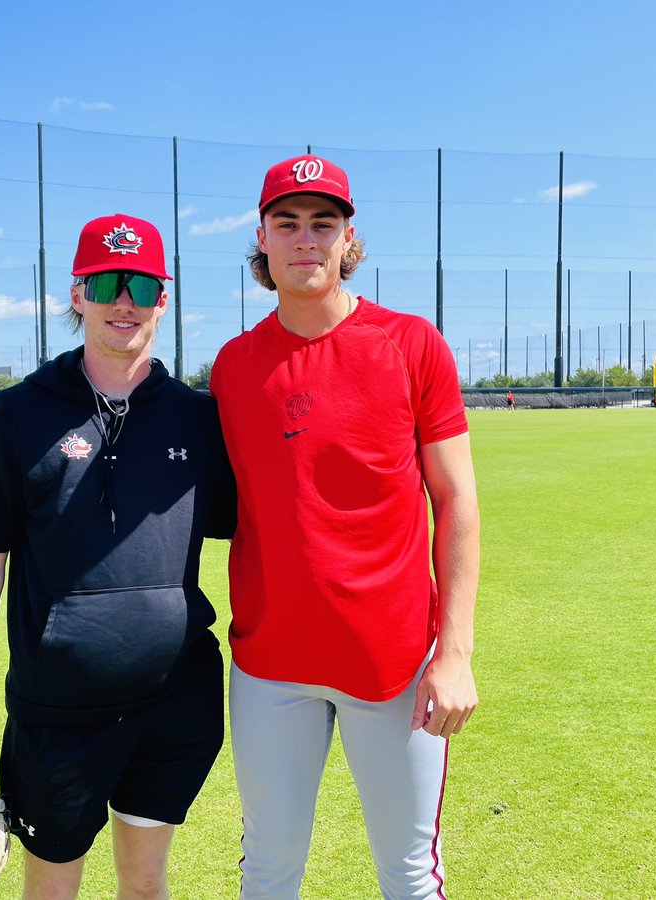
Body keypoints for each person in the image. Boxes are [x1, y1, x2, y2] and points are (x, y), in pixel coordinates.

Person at [0, 213, 235, 899]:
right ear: (76, 294)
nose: (124, 300)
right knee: (53, 890)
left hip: (173, 704)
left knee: (146, 884)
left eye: (141, 284)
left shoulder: (197, 417)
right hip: (57, 714)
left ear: (164, 298)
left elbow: (263, 532)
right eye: (106, 282)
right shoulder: (19, 414)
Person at [210, 154, 481, 899]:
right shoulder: (233, 367)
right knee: (268, 869)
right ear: (261, 238)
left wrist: (452, 654)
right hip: (270, 664)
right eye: (287, 223)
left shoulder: (412, 344)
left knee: (409, 876)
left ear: (348, 238)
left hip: (393, 663)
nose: (305, 239)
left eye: (322, 224)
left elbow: (456, 502)